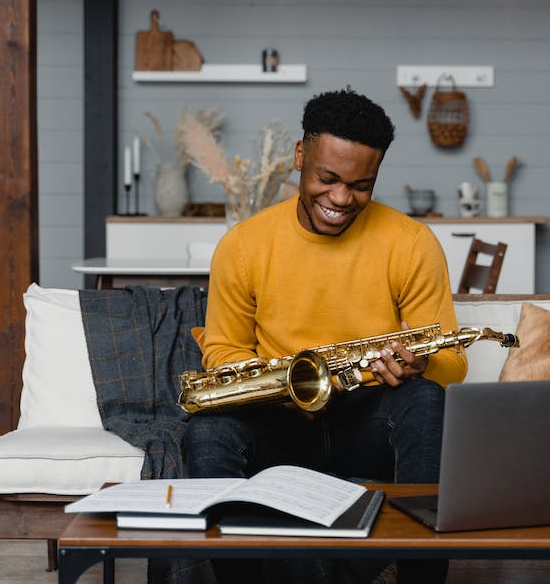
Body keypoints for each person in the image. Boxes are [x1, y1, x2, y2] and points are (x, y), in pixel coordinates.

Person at [182, 89, 466, 584]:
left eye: (361, 185)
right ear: (300, 156)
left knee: (425, 400)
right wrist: (282, 387)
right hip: (279, 419)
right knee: (204, 433)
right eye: (327, 178)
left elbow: (451, 359)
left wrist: (419, 365)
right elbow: (224, 351)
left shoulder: (412, 244)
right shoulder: (244, 246)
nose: (340, 199)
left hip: (369, 418)